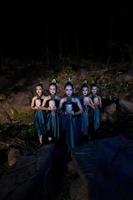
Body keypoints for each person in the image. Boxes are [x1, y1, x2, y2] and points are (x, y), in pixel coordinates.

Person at [59, 79, 83, 152]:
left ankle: (75, 148)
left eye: (70, 90)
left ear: (73, 90)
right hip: (66, 119)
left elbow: (81, 110)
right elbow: (59, 110)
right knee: (67, 134)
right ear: (64, 90)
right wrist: (64, 113)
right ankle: (68, 148)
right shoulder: (62, 100)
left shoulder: (76, 99)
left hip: (74, 120)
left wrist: (75, 113)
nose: (68, 92)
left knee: (74, 134)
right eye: (67, 90)